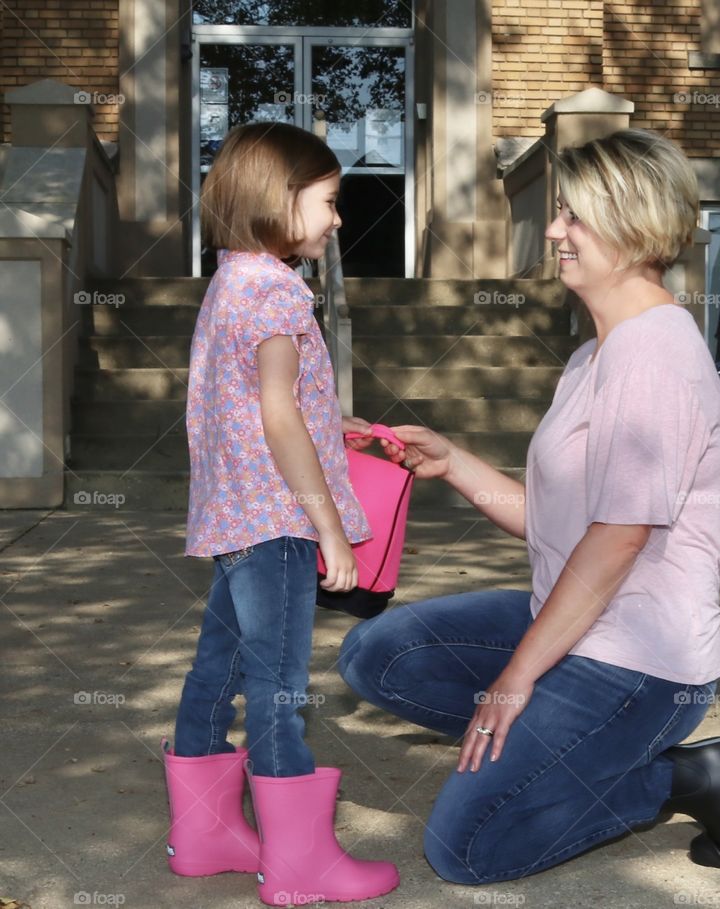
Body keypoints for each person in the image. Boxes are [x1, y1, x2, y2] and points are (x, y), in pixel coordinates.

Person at [338, 128, 720, 884]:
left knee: (466, 849)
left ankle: (687, 778)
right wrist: (456, 462)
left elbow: (616, 539)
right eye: (559, 213)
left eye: (575, 216)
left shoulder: (656, 355)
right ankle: (559, 755)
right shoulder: (595, 352)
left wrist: (515, 678)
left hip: (641, 666)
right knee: (379, 653)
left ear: (635, 223)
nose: (556, 231)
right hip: (572, 627)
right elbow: (557, 521)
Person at [162, 122, 399, 905]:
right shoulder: (275, 288)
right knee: (279, 684)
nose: (337, 220)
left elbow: (270, 400)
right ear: (279, 198)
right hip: (280, 521)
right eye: (329, 202)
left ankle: (205, 834)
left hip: (239, 517)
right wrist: (328, 521)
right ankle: (299, 863)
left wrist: (340, 428)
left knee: (219, 669)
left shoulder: (233, 277)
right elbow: (278, 413)